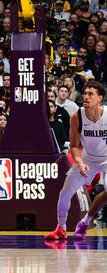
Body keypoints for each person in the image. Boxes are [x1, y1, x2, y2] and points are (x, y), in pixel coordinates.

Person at [46, 82, 107, 240]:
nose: (86, 97)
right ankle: (61, 228)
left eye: (90, 94)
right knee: (65, 193)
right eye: (85, 93)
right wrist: (79, 162)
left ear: (100, 98)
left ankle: (85, 222)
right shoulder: (77, 116)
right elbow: (74, 146)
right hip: (87, 159)